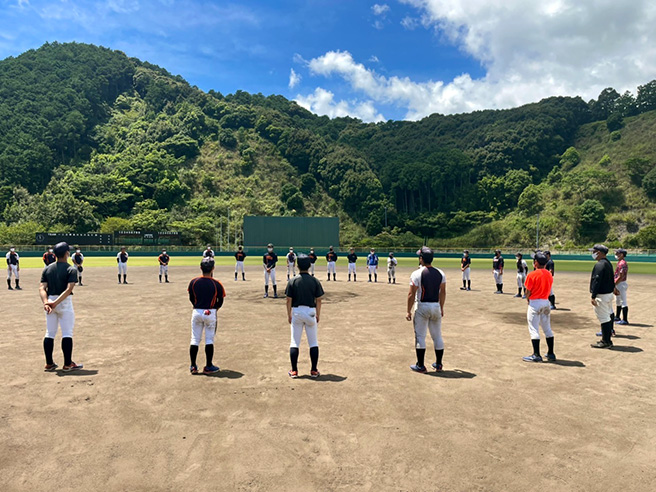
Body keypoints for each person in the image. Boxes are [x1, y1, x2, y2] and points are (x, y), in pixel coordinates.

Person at [39, 242, 83, 372]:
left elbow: (42, 288)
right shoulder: (71, 269)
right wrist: (56, 303)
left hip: (50, 301)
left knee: (49, 333)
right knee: (67, 333)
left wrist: (46, 302)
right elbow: (69, 289)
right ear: (66, 254)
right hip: (63, 302)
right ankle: (67, 364)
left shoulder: (47, 268)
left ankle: (49, 363)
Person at [406, 246, 446, 373]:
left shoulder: (417, 273)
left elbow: (411, 294)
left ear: (421, 259)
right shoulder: (440, 273)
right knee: (437, 336)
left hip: (422, 306)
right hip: (436, 306)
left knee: (420, 336)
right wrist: (441, 307)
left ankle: (420, 365)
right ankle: (439, 364)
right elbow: (443, 292)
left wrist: (408, 310)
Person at [285, 254, 324, 378]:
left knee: (294, 342)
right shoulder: (315, 280)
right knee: (313, 342)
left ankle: (294, 371)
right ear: (309, 265)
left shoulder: (293, 280)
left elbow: (288, 300)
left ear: (297, 266)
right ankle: (313, 370)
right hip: (311, 311)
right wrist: (318, 314)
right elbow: (319, 299)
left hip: (297, 312)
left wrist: (289, 314)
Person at [187, 258, 225, 375]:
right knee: (209, 339)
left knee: (194, 339)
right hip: (210, 312)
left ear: (200, 268)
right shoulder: (217, 284)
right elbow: (221, 300)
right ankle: (208, 366)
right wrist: (215, 309)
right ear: (213, 269)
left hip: (197, 311)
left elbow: (191, 297)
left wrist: (197, 306)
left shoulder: (194, 281)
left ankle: (193, 366)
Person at [522, 252, 556, 362]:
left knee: (533, 328)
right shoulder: (549, 274)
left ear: (536, 262)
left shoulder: (532, 275)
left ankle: (536, 354)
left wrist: (528, 299)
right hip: (546, 302)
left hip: (535, 303)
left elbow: (528, 291)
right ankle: (551, 353)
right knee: (547, 328)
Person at [589, 244, 616, 349]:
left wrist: (593, 296)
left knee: (604, 318)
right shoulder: (608, 263)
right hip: (608, 294)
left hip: (602, 295)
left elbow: (597, 281)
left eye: (594, 252)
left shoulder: (600, 265)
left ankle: (606, 341)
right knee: (608, 316)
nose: (593, 254)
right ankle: (607, 339)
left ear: (599, 253)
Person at [614, 248, 629, 325]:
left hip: (621, 283)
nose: (616, 255)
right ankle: (617, 316)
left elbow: (621, 276)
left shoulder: (622, 263)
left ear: (622, 254)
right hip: (619, 283)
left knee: (623, 301)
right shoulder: (620, 262)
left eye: (618, 254)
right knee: (618, 300)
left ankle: (625, 319)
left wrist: (615, 284)